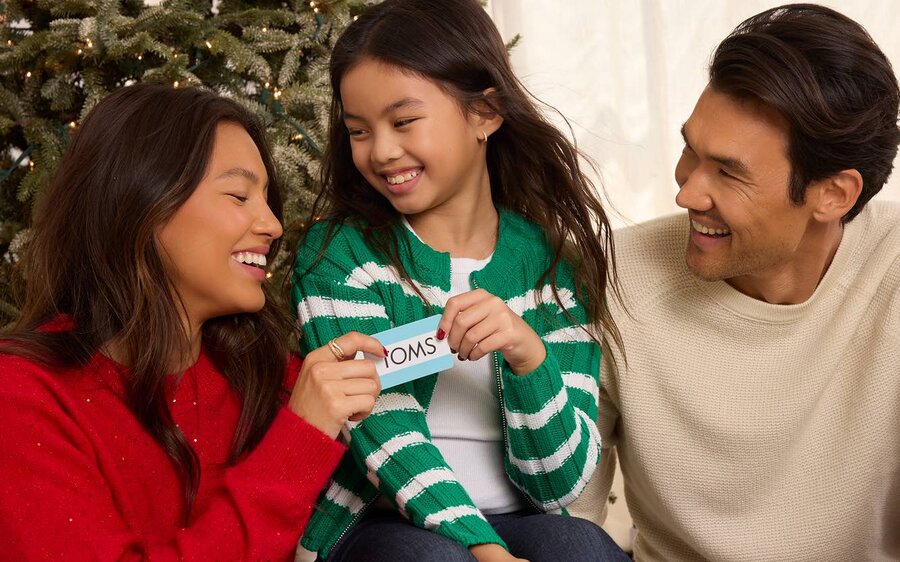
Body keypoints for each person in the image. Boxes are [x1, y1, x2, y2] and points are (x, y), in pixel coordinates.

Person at [290, 1, 630, 560]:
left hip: (519, 519)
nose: (381, 151)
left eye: (403, 122)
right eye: (359, 130)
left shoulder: (551, 267)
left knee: (581, 544)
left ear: (485, 114)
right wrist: (484, 551)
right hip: (379, 524)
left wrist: (528, 356)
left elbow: (559, 485)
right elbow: (384, 429)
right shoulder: (341, 257)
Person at [0, 83, 387, 560]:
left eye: (267, 198)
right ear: (142, 203)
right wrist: (298, 443)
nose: (273, 224)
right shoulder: (22, 397)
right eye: (239, 195)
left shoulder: (269, 375)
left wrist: (507, 355)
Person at [570, 4, 900, 561]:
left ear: (833, 195)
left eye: (727, 171)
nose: (688, 193)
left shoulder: (891, 271)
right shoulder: (609, 274)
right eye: (689, 151)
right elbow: (562, 513)